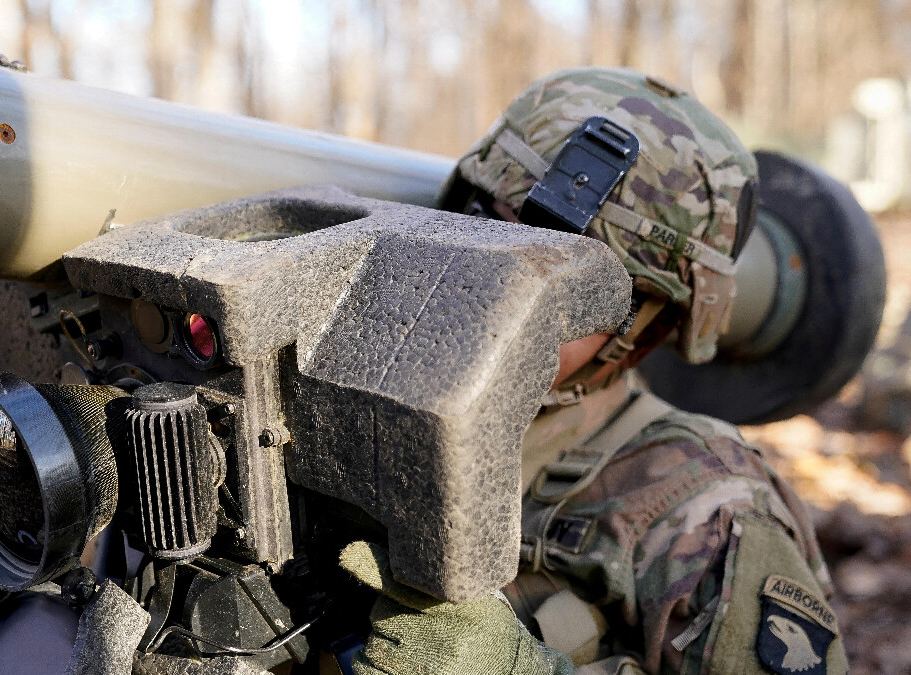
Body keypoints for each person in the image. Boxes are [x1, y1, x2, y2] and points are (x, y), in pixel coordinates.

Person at [339, 67, 847, 675]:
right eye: (483, 231)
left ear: (648, 328)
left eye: (570, 285)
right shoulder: (346, 393)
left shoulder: (704, 504)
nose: (499, 290)